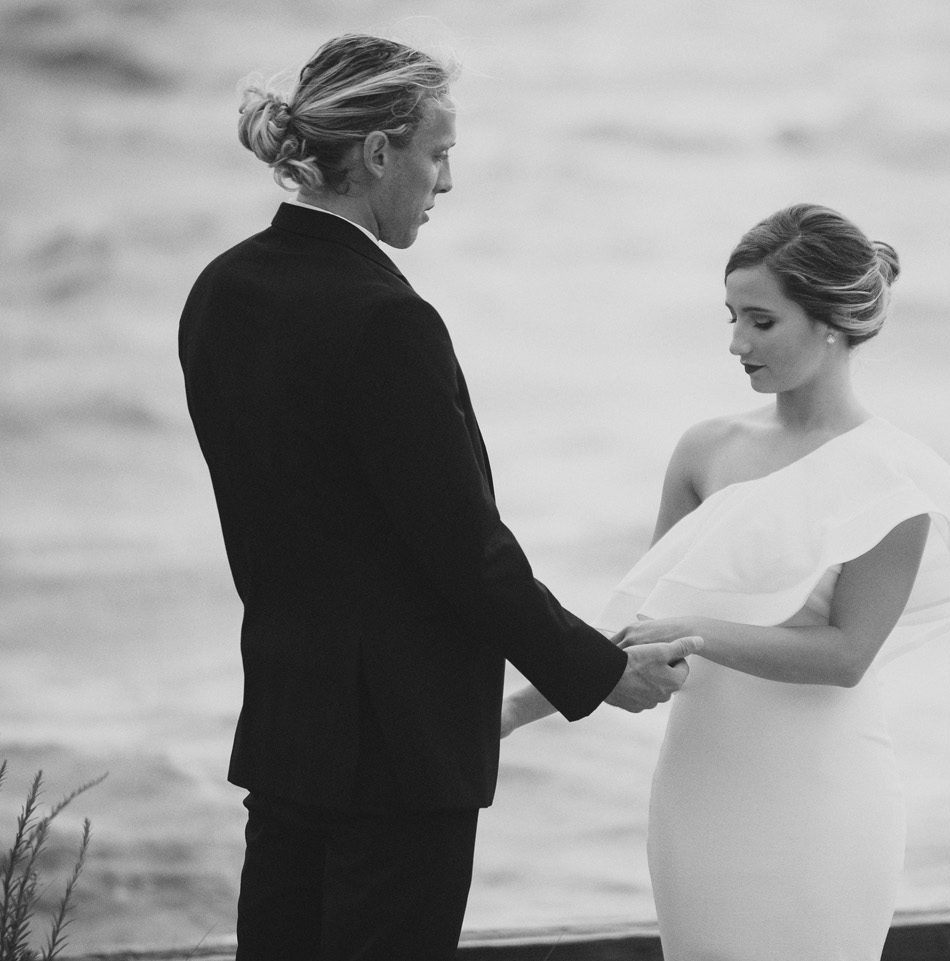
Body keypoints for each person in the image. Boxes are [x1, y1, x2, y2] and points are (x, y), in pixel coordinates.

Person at [177, 34, 699, 961]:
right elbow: (465, 549)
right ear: (379, 152)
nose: (447, 182)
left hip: (289, 729)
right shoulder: (387, 320)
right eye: (439, 154)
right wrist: (599, 672)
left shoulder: (220, 292)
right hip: (402, 758)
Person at [501, 203, 950, 959]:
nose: (735, 342)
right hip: (700, 792)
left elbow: (847, 654)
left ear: (829, 323)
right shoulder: (705, 451)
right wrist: (514, 711)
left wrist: (702, 633)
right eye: (731, 317)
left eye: (760, 321)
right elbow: (639, 631)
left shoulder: (893, 479)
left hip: (823, 803)